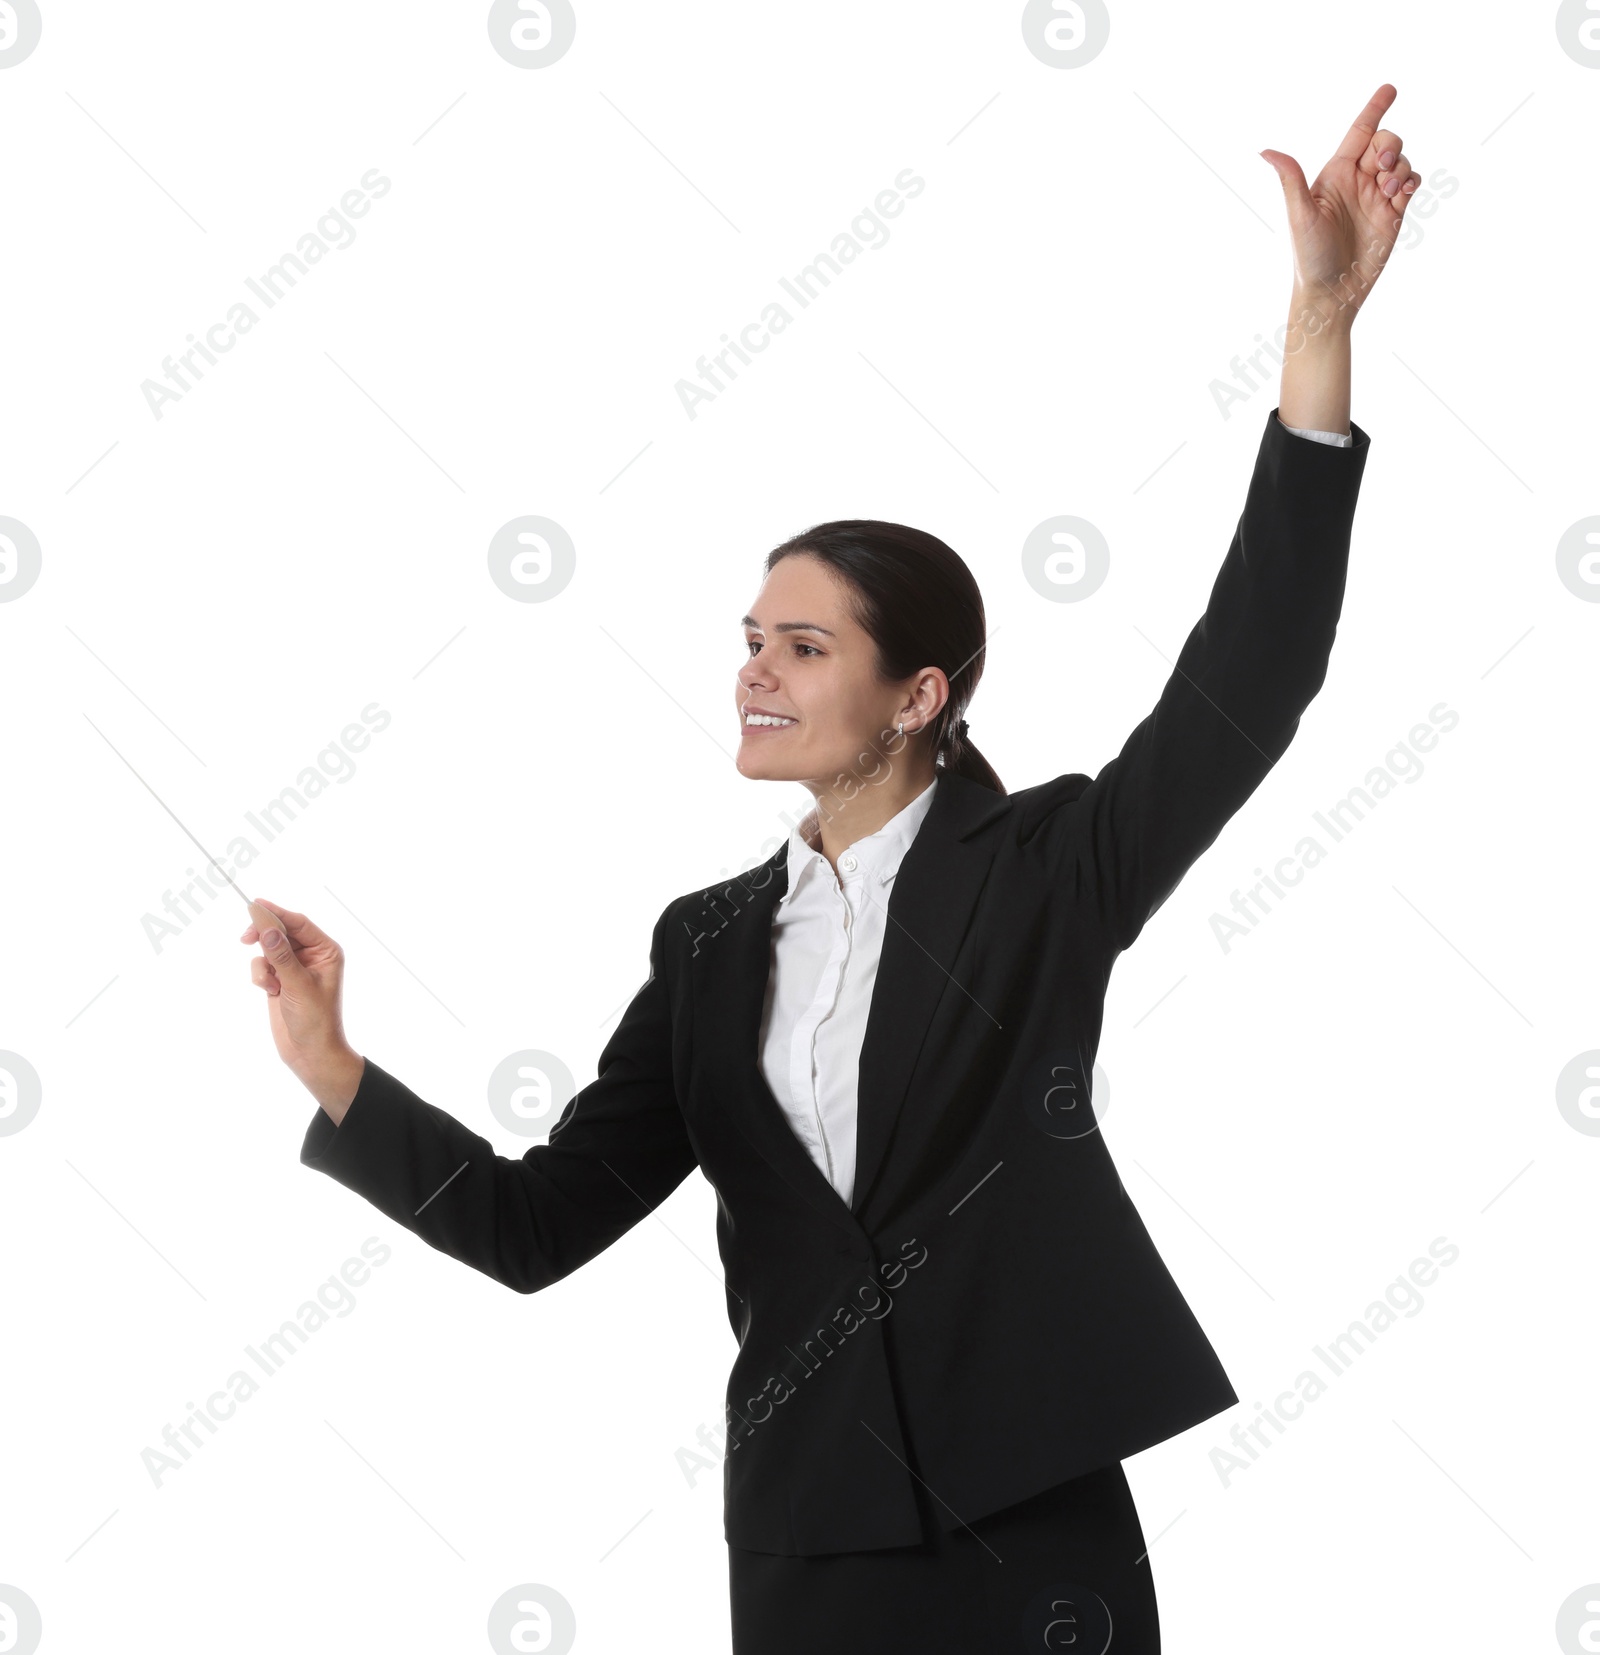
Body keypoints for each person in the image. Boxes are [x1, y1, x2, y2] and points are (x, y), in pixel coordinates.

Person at [243, 84, 1419, 1655]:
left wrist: (1317, 341)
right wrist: (336, 1070)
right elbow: (541, 1228)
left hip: (1030, 1514)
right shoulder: (709, 944)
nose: (755, 675)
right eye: (749, 644)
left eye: (805, 647)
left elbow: (1252, 680)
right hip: (811, 1532)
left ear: (920, 695)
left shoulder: (1051, 866)